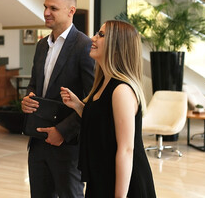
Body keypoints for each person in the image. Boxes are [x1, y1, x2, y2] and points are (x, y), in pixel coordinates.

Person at [60, 20, 157, 197]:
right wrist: (78, 106)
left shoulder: (121, 91)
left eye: (101, 35)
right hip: (102, 175)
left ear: (117, 46)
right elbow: (103, 124)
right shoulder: (103, 84)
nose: (93, 38)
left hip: (123, 183)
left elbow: (127, 150)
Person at [21, 0, 95, 198]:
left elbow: (91, 101)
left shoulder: (85, 46)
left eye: (53, 8)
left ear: (71, 10)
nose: (46, 12)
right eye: (45, 7)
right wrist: (28, 98)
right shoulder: (42, 45)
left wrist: (62, 131)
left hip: (68, 147)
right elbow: (34, 84)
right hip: (37, 142)